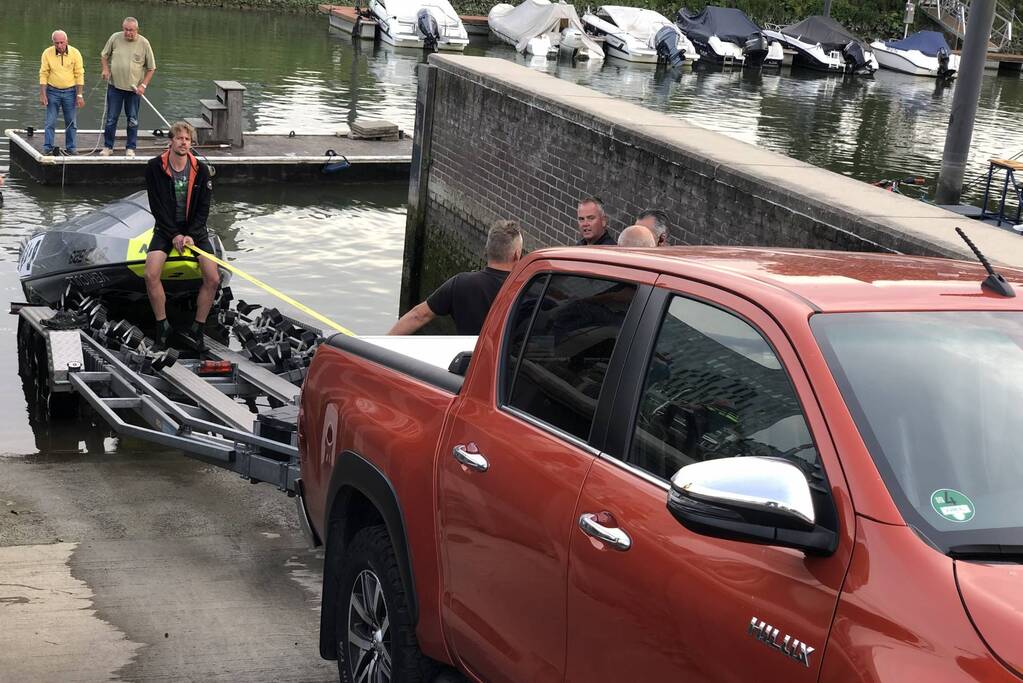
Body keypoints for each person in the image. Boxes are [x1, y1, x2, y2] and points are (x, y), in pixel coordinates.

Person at [144, 121, 218, 350]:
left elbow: (204, 207)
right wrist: (174, 234)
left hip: (194, 231)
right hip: (166, 228)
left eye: (187, 139)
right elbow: (157, 206)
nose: (184, 142)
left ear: (191, 143)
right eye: (179, 138)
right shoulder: (154, 167)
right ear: (171, 141)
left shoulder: (201, 169)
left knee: (213, 279)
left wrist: (191, 235)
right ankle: (162, 326)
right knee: (150, 273)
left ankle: (197, 328)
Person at [388, 220, 523, 335]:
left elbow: (418, 316)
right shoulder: (527, 289)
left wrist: (381, 348)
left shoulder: (461, 283)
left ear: (487, 249)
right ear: (517, 255)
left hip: (470, 361)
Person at [100, 17, 156, 158]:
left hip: (134, 90)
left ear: (136, 30)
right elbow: (104, 55)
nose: (128, 33)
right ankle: (108, 147)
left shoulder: (144, 43)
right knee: (111, 118)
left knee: (132, 119)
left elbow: (151, 68)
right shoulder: (115, 38)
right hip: (115, 87)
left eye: (131, 30)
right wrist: (105, 69)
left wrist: (143, 85)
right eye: (125, 29)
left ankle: (130, 148)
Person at [39, 30, 85, 156]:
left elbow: (79, 74)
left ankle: (71, 147)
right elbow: (44, 73)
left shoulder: (75, 53)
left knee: (71, 121)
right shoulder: (47, 53)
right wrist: (43, 94)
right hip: (52, 91)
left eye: (62, 42)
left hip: (70, 92)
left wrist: (79, 95)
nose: (59, 45)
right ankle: (47, 147)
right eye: (56, 43)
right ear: (53, 42)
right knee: (50, 121)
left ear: (67, 41)